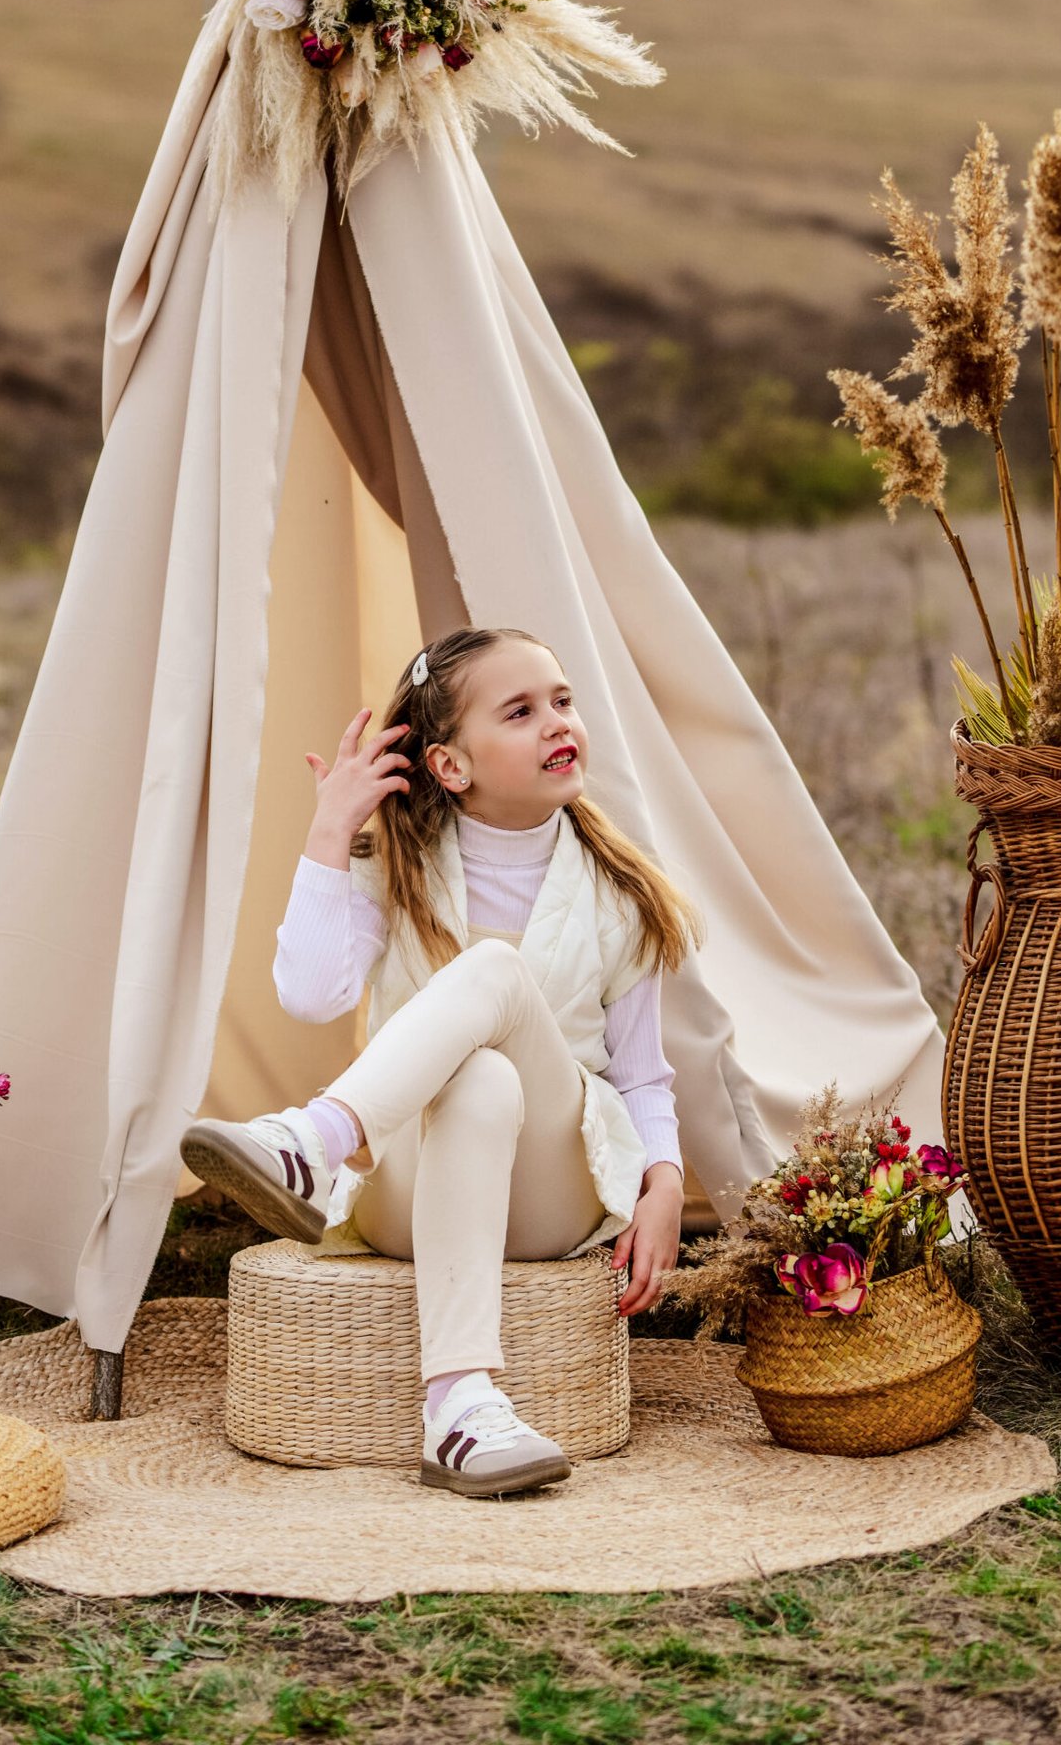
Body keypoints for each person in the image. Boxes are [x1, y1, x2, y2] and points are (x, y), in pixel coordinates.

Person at [181, 626, 694, 1500]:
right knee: (480, 1076)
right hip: (406, 1193)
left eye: (562, 701)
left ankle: (311, 1141)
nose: (556, 722)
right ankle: (458, 1409)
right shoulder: (398, 866)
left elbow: (641, 1074)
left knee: (492, 980)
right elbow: (311, 995)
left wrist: (667, 1182)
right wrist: (332, 829)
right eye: (521, 711)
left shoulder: (620, 892)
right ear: (452, 767)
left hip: (553, 1194)